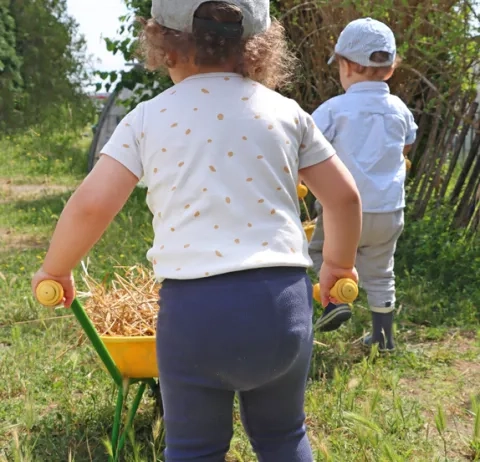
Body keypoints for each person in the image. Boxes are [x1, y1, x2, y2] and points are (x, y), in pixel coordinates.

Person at [32, 1, 362, 460]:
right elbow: (344, 197)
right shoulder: (286, 112)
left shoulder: (147, 118)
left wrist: (56, 268)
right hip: (282, 307)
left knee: (193, 447)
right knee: (284, 436)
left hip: (195, 317)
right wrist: (338, 263)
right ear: (260, 48)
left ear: (162, 44)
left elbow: (91, 205)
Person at [309, 18, 418, 352]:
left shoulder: (334, 109)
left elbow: (308, 149)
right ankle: (384, 338)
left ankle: (334, 303)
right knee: (382, 272)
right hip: (388, 210)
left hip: (344, 211)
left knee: (317, 253)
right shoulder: (399, 109)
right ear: (390, 67)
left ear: (348, 66)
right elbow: (407, 144)